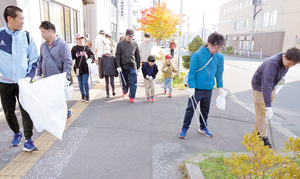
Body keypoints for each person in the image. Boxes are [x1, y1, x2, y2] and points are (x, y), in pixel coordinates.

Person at [0, 6, 39, 151]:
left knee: (26, 110)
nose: (23, 22)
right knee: (8, 111)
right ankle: (16, 132)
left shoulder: (27, 36)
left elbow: (34, 59)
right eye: (20, 18)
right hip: (4, 83)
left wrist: (28, 77)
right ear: (10, 19)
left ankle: (29, 139)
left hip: (23, 82)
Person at [179, 32, 226, 139]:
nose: (218, 50)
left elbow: (219, 73)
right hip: (196, 88)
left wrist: (220, 87)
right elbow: (192, 72)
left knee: (205, 110)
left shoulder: (219, 57)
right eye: (216, 47)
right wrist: (191, 87)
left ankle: (203, 127)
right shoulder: (197, 55)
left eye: (220, 48)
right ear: (209, 44)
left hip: (209, 88)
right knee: (190, 109)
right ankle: (184, 129)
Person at [251, 47, 300, 148]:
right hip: (260, 86)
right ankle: (263, 138)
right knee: (263, 114)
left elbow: (273, 81)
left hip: (271, 86)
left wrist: (281, 79)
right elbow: (266, 85)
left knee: (261, 113)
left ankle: (255, 134)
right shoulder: (272, 64)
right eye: (289, 63)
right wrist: (268, 106)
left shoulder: (286, 60)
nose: (289, 66)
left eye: (292, 65)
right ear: (284, 57)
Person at [36, 21, 73, 119]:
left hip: (58, 78)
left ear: (51, 31)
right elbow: (40, 61)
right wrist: (38, 75)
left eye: (43, 32)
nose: (42, 34)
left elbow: (68, 62)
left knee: (57, 99)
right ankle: (64, 113)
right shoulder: (43, 46)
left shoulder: (62, 44)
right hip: (47, 78)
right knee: (50, 99)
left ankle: (62, 116)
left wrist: (65, 77)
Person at [115, 29, 140, 103]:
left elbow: (137, 56)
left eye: (131, 36)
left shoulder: (135, 44)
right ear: (125, 35)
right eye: (129, 36)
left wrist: (138, 67)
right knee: (124, 81)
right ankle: (125, 90)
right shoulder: (120, 44)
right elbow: (117, 56)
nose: (130, 38)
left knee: (133, 82)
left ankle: (132, 96)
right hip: (123, 66)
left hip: (132, 65)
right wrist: (118, 66)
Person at [71, 33, 95, 102]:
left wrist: (90, 59)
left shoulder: (86, 47)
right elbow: (71, 57)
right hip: (78, 68)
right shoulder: (74, 48)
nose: (81, 40)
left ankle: (87, 95)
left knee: (85, 82)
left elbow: (92, 55)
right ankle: (82, 95)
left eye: (82, 38)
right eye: (79, 39)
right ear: (76, 39)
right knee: (80, 83)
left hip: (85, 67)